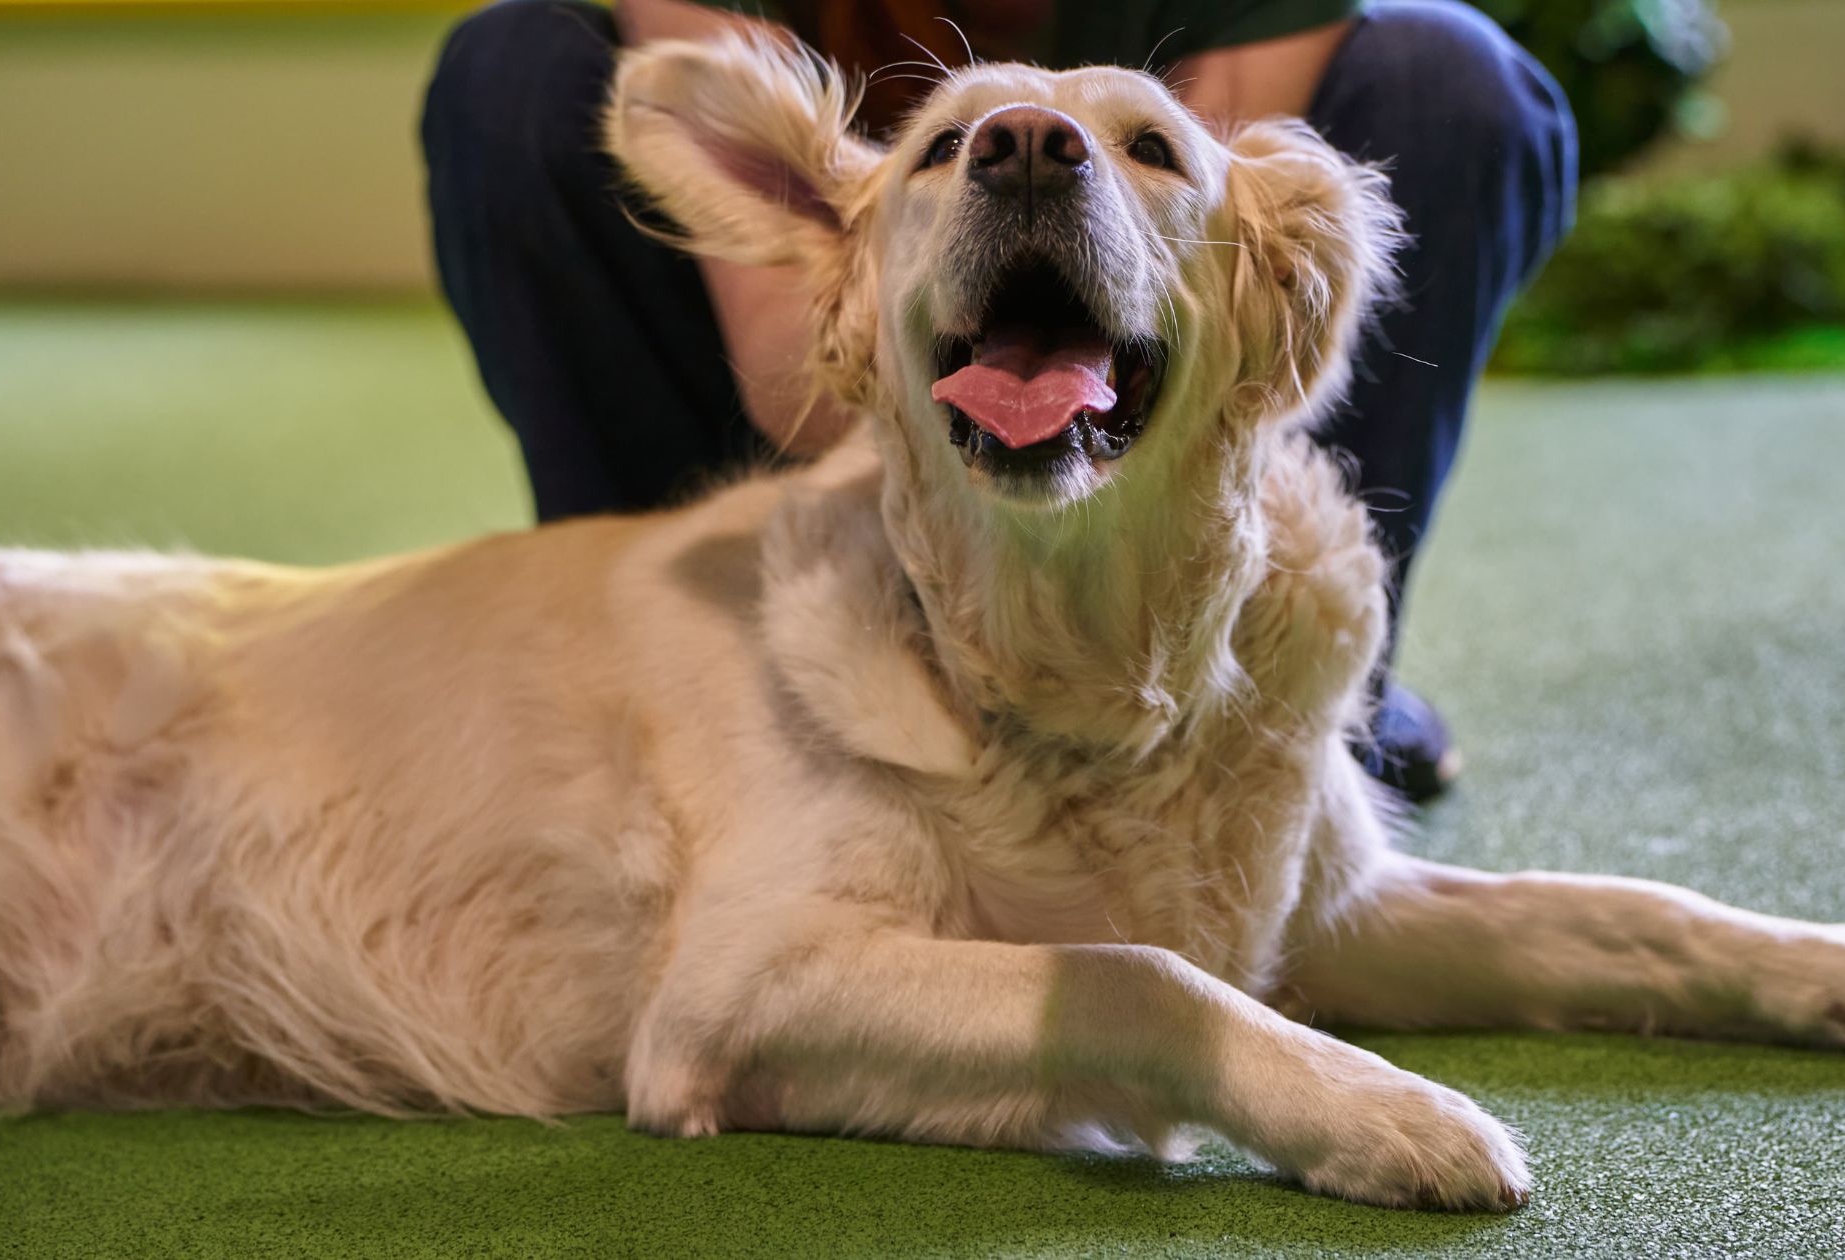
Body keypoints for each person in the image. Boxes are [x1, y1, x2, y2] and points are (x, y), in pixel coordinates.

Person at [420, 0, 1576, 800]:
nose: (1027, 147)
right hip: (828, 390)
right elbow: (787, 351)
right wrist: (904, 310)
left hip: (1161, 440)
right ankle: (639, 695)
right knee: (511, 74)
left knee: (1454, 77)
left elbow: (1222, 260)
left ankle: (1283, 701)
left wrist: (1112, 376)